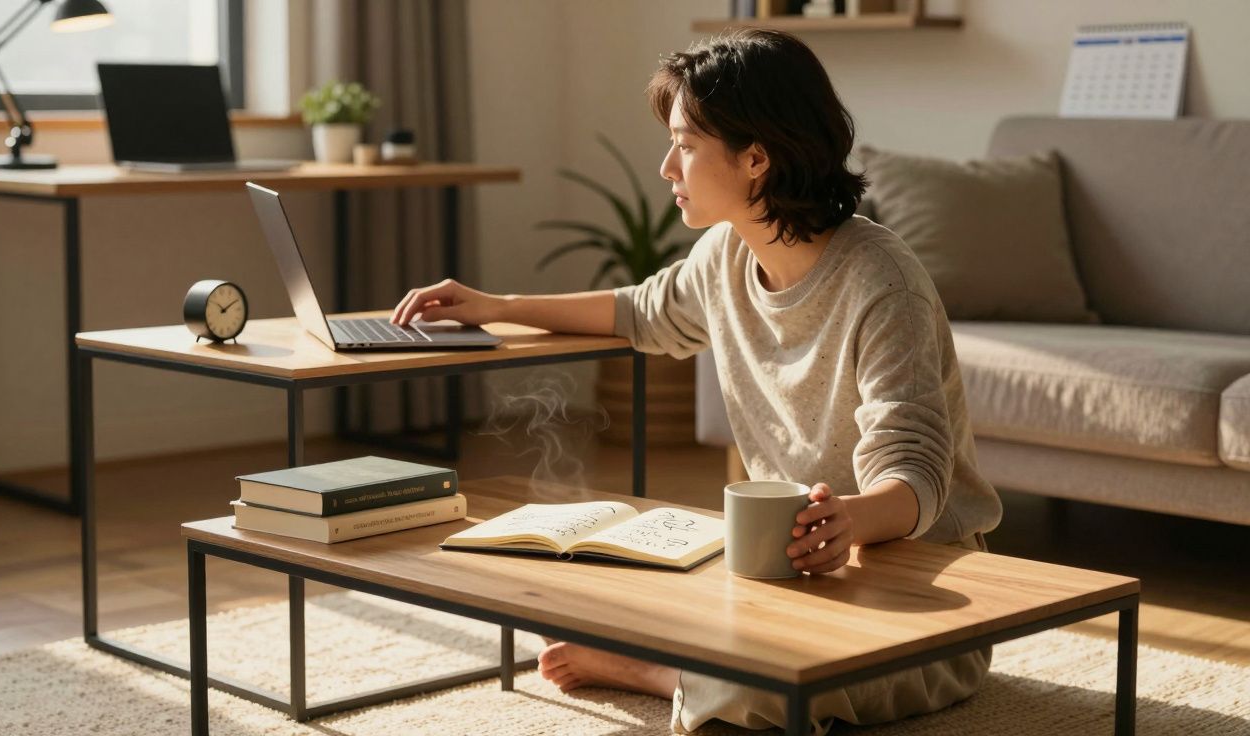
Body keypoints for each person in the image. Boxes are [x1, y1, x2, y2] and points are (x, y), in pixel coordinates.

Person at [393, 28, 1002, 736]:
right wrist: (497, 305)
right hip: (787, 573)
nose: (666, 166)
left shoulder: (883, 282)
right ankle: (695, 662)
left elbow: (915, 474)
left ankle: (653, 672)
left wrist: (849, 521)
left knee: (773, 688)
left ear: (756, 159)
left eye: (684, 145)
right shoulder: (724, 256)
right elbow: (637, 312)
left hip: (918, 591)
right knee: (622, 586)